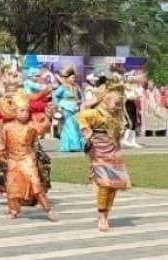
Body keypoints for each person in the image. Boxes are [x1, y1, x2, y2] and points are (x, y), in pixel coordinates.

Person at [0, 92, 57, 221]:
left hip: (27, 159)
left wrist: (48, 117)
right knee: (12, 186)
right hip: (12, 160)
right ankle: (14, 210)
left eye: (26, 111)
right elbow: (1, 145)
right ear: (14, 112)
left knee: (35, 183)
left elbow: (42, 128)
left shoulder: (31, 126)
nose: (25, 114)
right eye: (21, 111)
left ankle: (48, 209)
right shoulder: (7, 128)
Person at [76, 81, 131, 232]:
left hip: (113, 153)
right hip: (99, 153)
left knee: (113, 186)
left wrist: (119, 135)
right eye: (116, 103)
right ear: (106, 100)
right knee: (105, 184)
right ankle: (101, 216)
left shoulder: (115, 116)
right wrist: (87, 131)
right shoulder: (97, 113)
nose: (118, 107)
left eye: (120, 104)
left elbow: (117, 135)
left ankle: (106, 214)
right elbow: (81, 116)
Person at [53, 65, 84, 152]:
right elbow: (55, 95)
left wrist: (81, 102)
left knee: (75, 126)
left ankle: (68, 146)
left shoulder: (76, 87)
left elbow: (82, 96)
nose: (74, 79)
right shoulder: (63, 87)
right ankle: (73, 145)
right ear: (67, 78)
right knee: (69, 126)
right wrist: (58, 105)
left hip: (75, 108)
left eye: (74, 78)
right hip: (66, 108)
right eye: (72, 77)